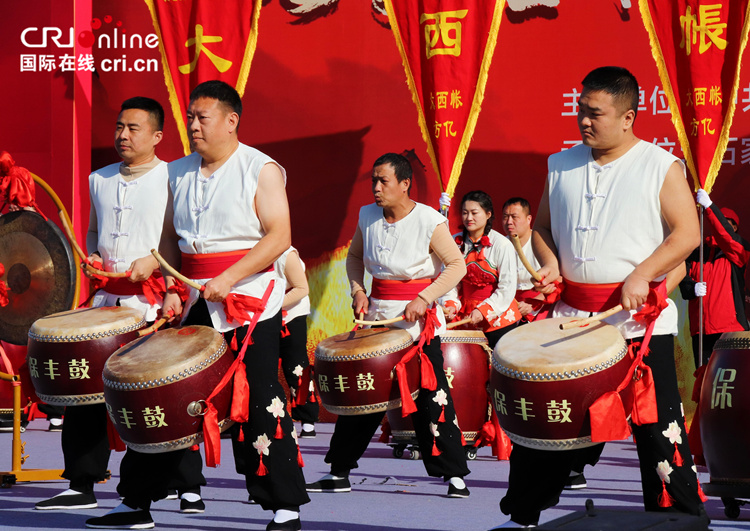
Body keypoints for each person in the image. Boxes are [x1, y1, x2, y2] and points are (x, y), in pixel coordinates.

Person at [89, 80, 310, 531]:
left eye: (201, 118)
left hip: (251, 304)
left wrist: (229, 277)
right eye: (189, 117)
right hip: (195, 297)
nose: (192, 126)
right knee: (164, 391)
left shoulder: (260, 169)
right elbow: (170, 239)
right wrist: (160, 273)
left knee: (262, 399)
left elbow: (279, 237)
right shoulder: (179, 171)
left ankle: (284, 505)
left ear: (231, 122)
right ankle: (137, 501)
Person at [497, 66, 706, 528]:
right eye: (581, 112)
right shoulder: (561, 164)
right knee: (553, 429)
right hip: (574, 321)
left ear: (629, 116)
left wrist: (644, 274)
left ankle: (681, 521)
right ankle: (525, 515)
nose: (585, 122)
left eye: (596, 114)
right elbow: (545, 229)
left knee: (658, 432)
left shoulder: (659, 165)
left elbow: (688, 233)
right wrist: (550, 262)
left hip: (639, 325)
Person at [36, 97, 206, 516]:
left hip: (154, 302)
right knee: (85, 392)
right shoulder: (100, 178)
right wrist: (94, 256)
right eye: (118, 127)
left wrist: (164, 277)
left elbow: (182, 240)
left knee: (162, 394)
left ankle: (186, 485)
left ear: (157, 136)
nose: (123, 135)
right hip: (106, 304)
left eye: (133, 128)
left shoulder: (173, 177)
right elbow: (94, 229)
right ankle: (81, 481)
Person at [306, 152, 471, 498]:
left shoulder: (428, 219)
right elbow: (353, 257)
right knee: (363, 395)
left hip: (417, 323)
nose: (376, 188)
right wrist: (357, 290)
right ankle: (339, 472)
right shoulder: (367, 215)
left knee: (431, 395)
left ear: (405, 184)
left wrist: (425, 298)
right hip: (378, 319)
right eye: (373, 181)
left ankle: (453, 474)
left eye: (384, 181)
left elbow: (456, 265)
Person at [679, 189, 750, 368]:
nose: (721, 225)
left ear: (734, 228)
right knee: (704, 382)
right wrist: (691, 288)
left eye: (729, 223)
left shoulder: (738, 251)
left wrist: (710, 208)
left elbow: (726, 236)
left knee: (730, 381)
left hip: (730, 329)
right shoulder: (697, 253)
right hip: (701, 330)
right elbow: (680, 274)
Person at [443, 190, 520, 349]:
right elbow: (448, 280)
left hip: (498, 315)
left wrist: (484, 310)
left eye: (474, 213)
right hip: (465, 315)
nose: (468, 218)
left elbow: (507, 287)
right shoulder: (454, 242)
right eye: (465, 213)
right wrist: (450, 304)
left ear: (488, 214)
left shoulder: (502, 245)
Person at [277, 247, 318, 437]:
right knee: (261, 369)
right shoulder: (245, 249)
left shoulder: (286, 253)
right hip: (258, 316)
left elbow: (301, 289)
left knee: (296, 367)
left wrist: (270, 306)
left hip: (291, 314)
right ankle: (273, 420)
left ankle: (308, 420)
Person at [501, 197, 547, 322]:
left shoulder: (543, 244)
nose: (509, 222)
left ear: (528, 219)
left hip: (540, 305)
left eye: (514, 217)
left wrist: (533, 303)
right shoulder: (500, 245)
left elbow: (556, 282)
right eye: (505, 217)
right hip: (507, 305)